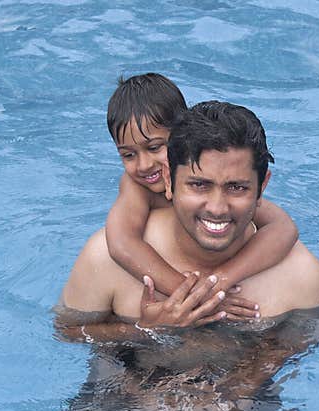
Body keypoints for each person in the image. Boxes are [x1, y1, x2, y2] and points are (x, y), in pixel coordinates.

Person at [52, 101, 319, 411]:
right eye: (199, 185)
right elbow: (68, 331)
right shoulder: (109, 258)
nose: (217, 208)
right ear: (170, 181)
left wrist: (229, 395)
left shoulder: (299, 275)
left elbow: (302, 339)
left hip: (238, 407)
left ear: (262, 187)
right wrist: (149, 329)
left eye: (237, 188)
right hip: (123, 401)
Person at [103, 73, 299, 319]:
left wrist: (221, 280)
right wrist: (192, 296)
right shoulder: (136, 187)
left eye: (154, 148)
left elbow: (284, 228)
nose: (143, 165)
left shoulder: (217, 187)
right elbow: (122, 243)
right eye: (128, 155)